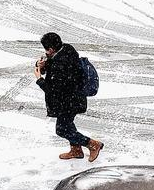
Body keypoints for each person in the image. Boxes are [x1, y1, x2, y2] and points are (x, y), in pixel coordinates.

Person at [34, 32, 104, 162]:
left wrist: (39, 79)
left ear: (51, 49)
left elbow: (54, 90)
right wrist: (43, 65)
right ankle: (76, 150)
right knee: (68, 126)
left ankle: (93, 145)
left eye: (47, 50)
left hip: (68, 102)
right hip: (72, 99)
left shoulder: (61, 66)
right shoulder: (66, 49)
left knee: (62, 130)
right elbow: (54, 64)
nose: (46, 53)